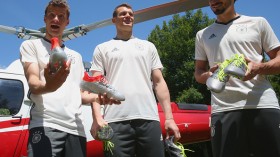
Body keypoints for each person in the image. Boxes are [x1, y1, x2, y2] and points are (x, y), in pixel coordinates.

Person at [89, 3, 181, 157]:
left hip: (148, 119)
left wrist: (169, 118)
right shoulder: (102, 48)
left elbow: (159, 83)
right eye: (123, 14)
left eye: (130, 14)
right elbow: (95, 85)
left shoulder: (148, 47)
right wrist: (97, 118)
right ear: (114, 20)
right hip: (115, 121)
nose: (128, 16)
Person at [194, 0, 280, 157]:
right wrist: (209, 75)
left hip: (262, 105)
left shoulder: (258, 23)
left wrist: (259, 68)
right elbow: (198, 72)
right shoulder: (202, 34)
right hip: (223, 110)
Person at [19, 0, 104, 156]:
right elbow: (33, 82)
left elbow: (79, 94)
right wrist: (49, 86)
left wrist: (99, 97)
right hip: (46, 124)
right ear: (45, 19)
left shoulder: (76, 57)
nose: (56, 19)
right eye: (51, 15)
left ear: (67, 22)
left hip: (76, 130)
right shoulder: (31, 46)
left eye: (61, 16)